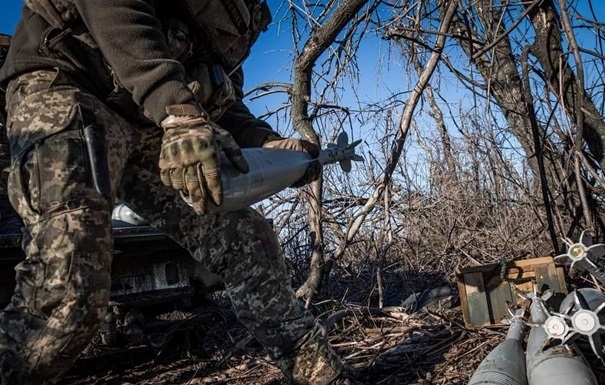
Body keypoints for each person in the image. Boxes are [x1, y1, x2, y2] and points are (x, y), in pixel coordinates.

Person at [0, 1, 355, 384]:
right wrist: (178, 112)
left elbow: (220, 99)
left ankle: (319, 373)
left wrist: (266, 142)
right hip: (70, 85)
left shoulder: (245, 17)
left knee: (244, 238)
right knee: (70, 283)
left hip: (149, 118)